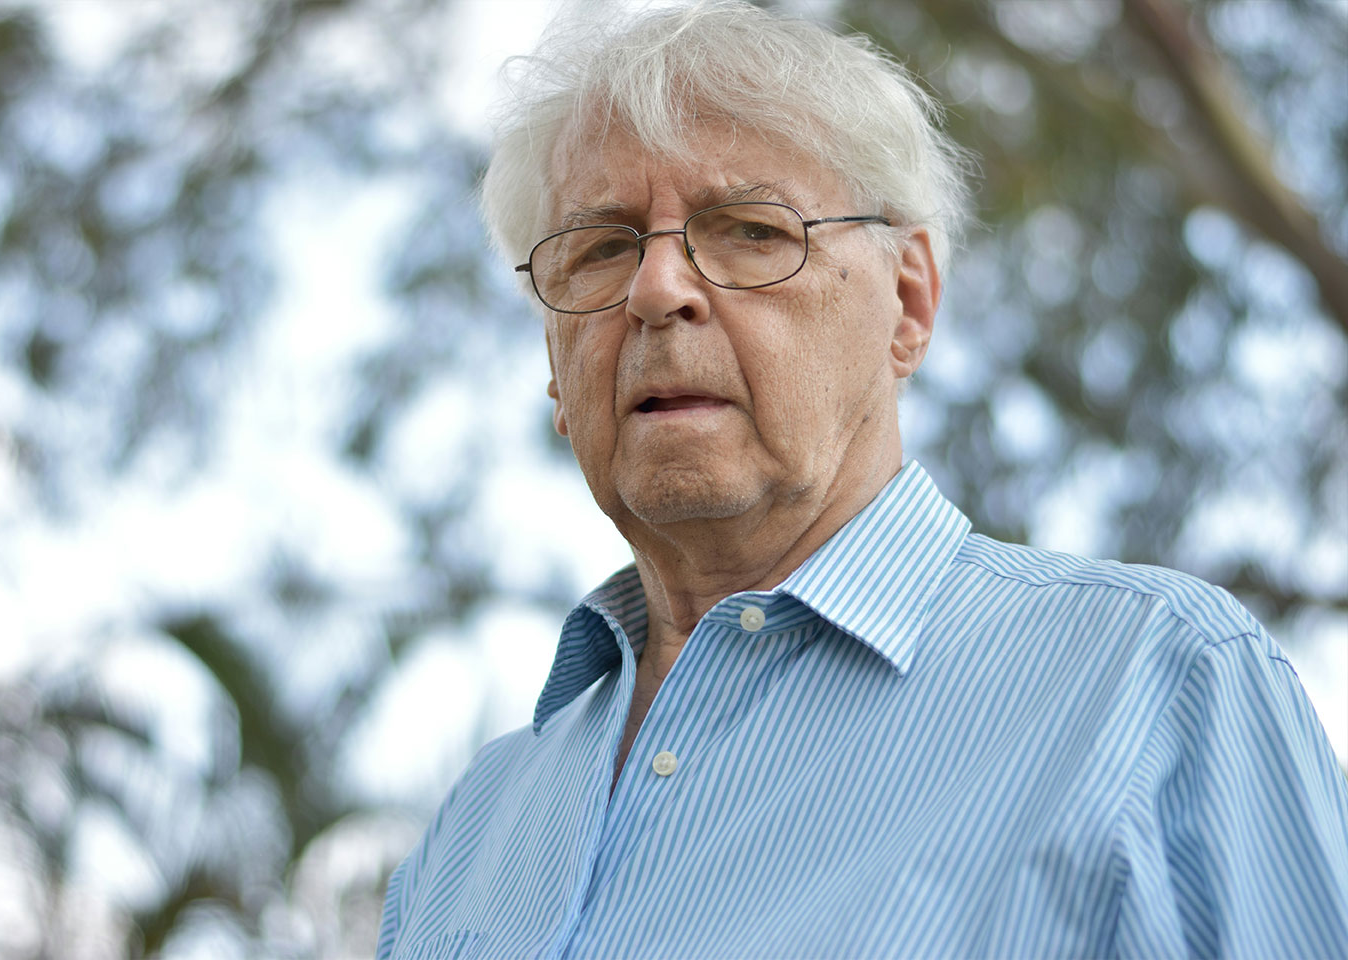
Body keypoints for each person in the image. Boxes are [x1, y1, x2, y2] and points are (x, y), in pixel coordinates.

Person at [376, 3, 1348, 957]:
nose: (657, 290)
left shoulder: (1160, 682)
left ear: (908, 303)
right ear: (553, 360)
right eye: (599, 249)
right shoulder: (468, 835)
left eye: (750, 230)